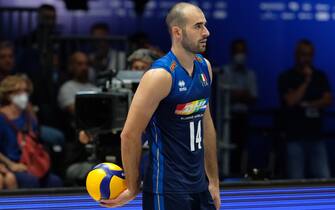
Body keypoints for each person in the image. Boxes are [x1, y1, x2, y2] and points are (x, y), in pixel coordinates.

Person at [100, 2, 220, 209]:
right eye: (198, 26)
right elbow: (129, 134)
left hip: (199, 186)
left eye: (205, 25)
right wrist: (132, 186)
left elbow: (206, 123)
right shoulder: (160, 76)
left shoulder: (204, 67)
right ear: (177, 32)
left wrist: (214, 182)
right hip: (167, 189)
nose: (206, 32)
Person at [278, 39, 332, 179]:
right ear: (296, 55)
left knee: (323, 178)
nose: (306, 58)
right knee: (296, 180)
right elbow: (291, 101)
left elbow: (327, 100)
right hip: (294, 138)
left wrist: (307, 105)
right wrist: (307, 81)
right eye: (303, 54)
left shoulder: (320, 76)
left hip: (316, 136)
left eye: (309, 55)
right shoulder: (286, 77)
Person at [0, 75, 62, 188]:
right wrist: (11, 164)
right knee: (31, 182)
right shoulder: (1, 117)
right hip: (11, 164)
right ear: (8, 95)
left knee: (54, 181)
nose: (23, 95)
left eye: (25, 91)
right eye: (18, 92)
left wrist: (31, 112)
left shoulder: (29, 117)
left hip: (31, 163)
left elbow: (35, 139)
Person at [221, 39, 258, 176]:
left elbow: (253, 97)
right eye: (237, 51)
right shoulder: (224, 72)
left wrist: (236, 94)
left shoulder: (250, 74)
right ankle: (225, 175)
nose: (240, 54)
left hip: (243, 118)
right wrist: (241, 94)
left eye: (242, 51)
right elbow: (224, 95)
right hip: (226, 119)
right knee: (225, 150)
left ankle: (239, 176)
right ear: (232, 53)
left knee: (242, 150)